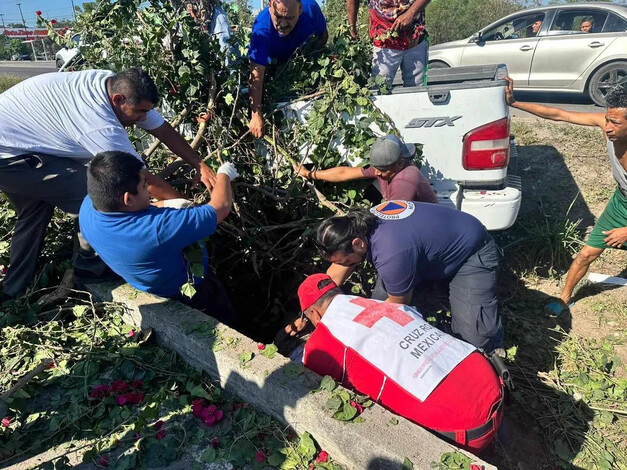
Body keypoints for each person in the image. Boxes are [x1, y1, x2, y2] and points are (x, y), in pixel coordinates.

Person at [0, 68, 214, 299]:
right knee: (98, 193)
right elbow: (138, 177)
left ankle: (14, 289)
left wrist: (199, 164)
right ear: (118, 100)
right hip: (9, 155)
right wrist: (183, 211)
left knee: (34, 210)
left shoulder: (114, 84)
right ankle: (89, 269)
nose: (142, 118)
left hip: (17, 142)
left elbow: (161, 128)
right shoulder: (99, 123)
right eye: (140, 112)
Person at [297, 273, 505, 452]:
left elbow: (314, 387)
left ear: (314, 313)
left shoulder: (322, 341)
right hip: (493, 386)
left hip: (464, 430)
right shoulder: (380, 304)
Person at [505, 76, 627, 315]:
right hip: (621, 201)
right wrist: (514, 102)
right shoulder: (607, 125)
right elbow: (559, 114)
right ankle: (564, 298)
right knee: (586, 253)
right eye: (606, 120)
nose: (608, 127)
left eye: (615, 123)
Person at [315, 204, 504, 353]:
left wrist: (357, 330)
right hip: (427, 249)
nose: (346, 266)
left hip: (470, 252)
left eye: (347, 262)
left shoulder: (391, 252)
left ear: (357, 244)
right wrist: (312, 308)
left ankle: (491, 351)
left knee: (475, 338)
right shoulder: (360, 225)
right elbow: (336, 272)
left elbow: (398, 304)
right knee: (376, 304)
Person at [79, 151, 238, 325]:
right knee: (224, 319)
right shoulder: (157, 230)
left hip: (149, 284)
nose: (148, 188)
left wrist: (163, 204)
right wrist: (224, 173)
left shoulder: (88, 208)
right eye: (143, 186)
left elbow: (131, 216)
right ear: (128, 199)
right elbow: (220, 207)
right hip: (191, 291)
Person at [248, 0, 328, 138]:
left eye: (290, 18)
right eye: (278, 16)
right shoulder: (262, 28)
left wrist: (309, 59)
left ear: (300, 9)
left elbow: (323, 36)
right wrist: (256, 114)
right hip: (272, 66)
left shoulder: (311, 9)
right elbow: (256, 74)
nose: (283, 24)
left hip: (300, 61)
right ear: (269, 7)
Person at [298, 134, 438, 203]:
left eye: (381, 170)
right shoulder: (386, 168)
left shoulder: (405, 180)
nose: (376, 173)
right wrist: (309, 174)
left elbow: (394, 220)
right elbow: (343, 173)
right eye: (375, 168)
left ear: (400, 164)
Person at [348, 0, 430, 87]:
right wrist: (351, 29)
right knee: (378, 90)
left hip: (415, 39)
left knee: (417, 91)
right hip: (383, 43)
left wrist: (411, 13)